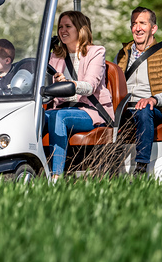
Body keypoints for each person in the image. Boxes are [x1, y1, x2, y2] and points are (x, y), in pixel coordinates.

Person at [44, 11, 114, 178]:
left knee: (58, 117)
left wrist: (68, 84)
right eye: (60, 27)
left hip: (90, 110)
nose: (62, 30)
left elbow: (90, 86)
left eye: (68, 26)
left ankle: (56, 177)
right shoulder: (55, 57)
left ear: (80, 30)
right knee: (35, 117)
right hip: (62, 108)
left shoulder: (95, 52)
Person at [115, 6, 162, 175]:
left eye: (142, 23)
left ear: (153, 28)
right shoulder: (122, 54)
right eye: (134, 24)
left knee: (144, 109)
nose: (137, 28)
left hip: (155, 109)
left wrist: (153, 99)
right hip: (126, 108)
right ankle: (102, 166)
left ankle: (141, 167)